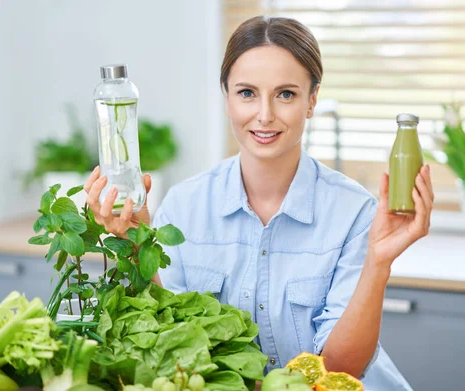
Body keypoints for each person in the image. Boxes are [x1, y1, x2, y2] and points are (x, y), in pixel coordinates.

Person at [85, 16, 433, 391]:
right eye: (247, 93)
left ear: (312, 100)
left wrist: (379, 262)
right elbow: (174, 347)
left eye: (286, 94)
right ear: (227, 96)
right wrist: (137, 247)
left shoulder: (356, 213)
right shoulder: (183, 207)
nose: (264, 115)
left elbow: (341, 371)